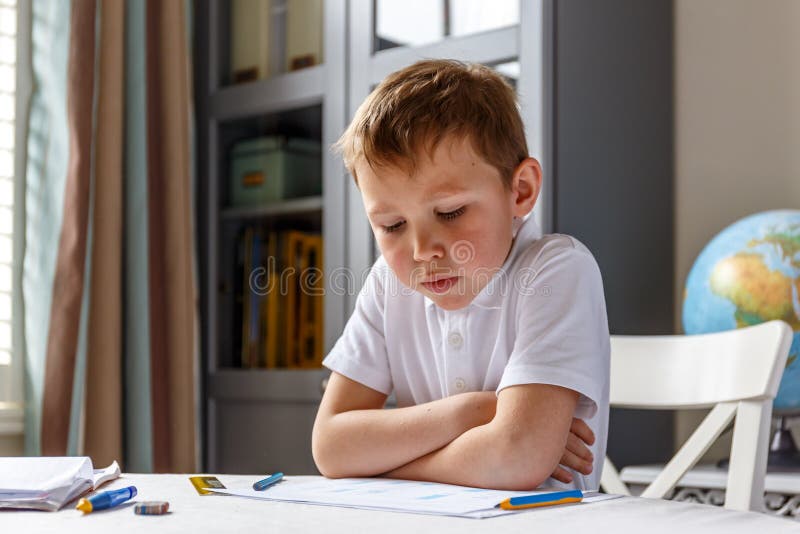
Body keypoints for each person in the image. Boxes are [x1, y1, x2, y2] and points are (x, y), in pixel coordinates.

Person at [312, 59, 610, 491]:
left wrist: (383, 464)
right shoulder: (387, 284)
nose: (421, 251)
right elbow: (331, 447)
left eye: (449, 213)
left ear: (520, 190)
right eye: (392, 226)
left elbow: (515, 459)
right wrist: (474, 412)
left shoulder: (558, 269)